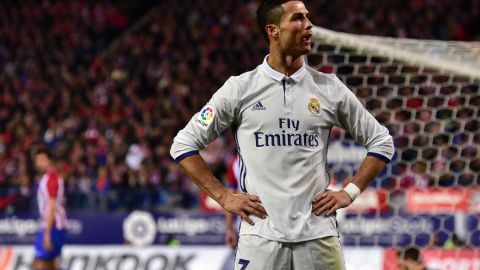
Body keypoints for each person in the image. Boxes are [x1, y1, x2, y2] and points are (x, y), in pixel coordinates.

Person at [170, 0, 394, 269]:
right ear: (273, 30)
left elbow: (381, 141)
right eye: (298, 19)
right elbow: (183, 144)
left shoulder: (329, 88)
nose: (309, 26)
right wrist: (223, 196)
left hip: (318, 236)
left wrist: (350, 191)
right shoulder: (239, 89)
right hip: (260, 236)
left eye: (308, 18)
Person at [33, 147, 68, 270]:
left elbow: (52, 206)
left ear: (50, 160)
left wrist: (47, 233)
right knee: (50, 264)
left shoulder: (52, 179)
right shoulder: (47, 178)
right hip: (52, 226)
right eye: (37, 160)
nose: (38, 163)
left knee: (40, 263)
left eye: (42, 159)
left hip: (53, 226)